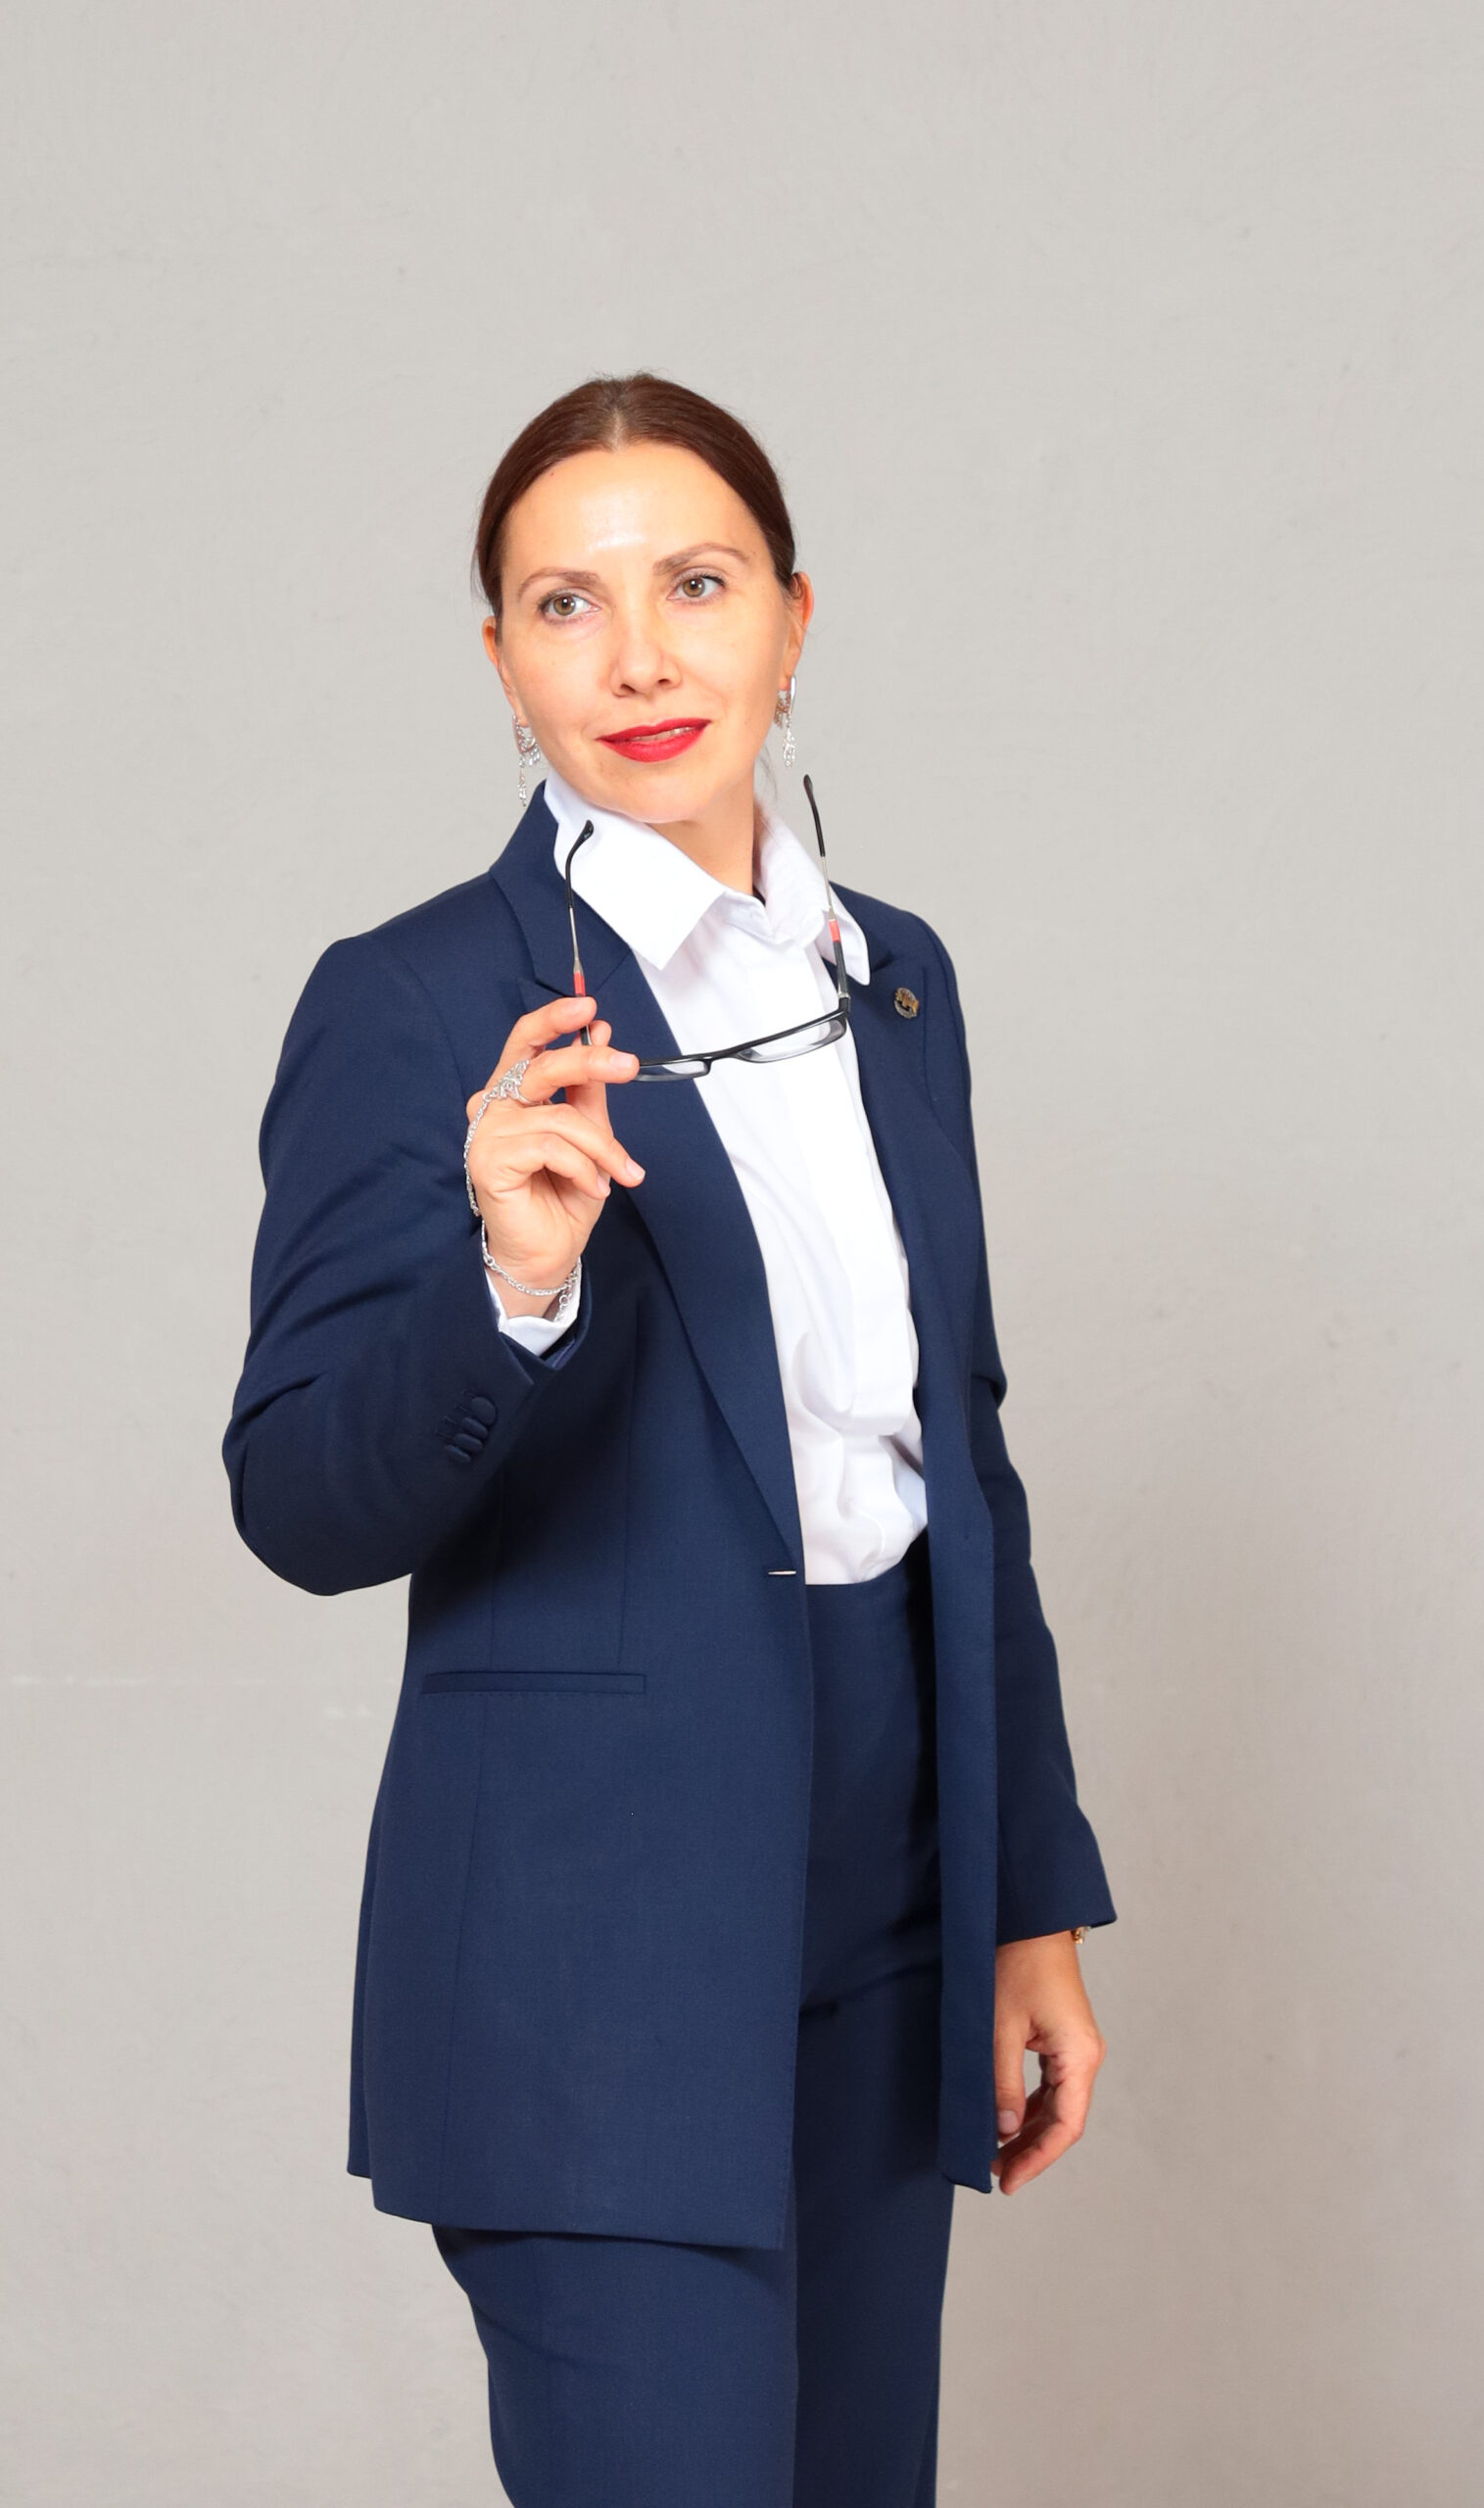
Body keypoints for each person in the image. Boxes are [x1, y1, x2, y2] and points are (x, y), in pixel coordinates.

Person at [222, 372, 1116, 2508]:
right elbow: (299, 1498)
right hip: (590, 1952)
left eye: (694, 585)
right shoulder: (420, 1000)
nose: (637, 658)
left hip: (889, 1908)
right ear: (500, 660)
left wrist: (1025, 1903)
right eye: (566, 604)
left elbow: (958, 1455)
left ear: (792, 619)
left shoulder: (895, 980)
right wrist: (509, 1284)